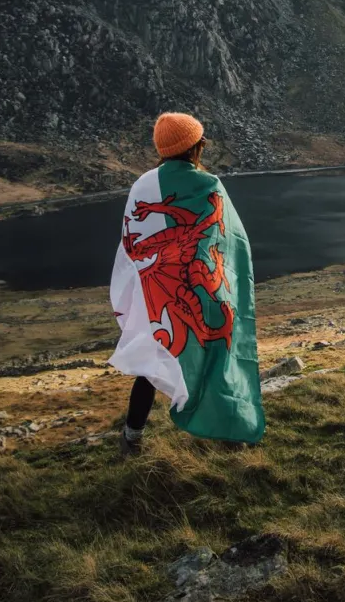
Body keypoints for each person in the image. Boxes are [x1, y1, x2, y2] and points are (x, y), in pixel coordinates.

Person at [108, 112, 265, 455]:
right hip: (204, 287)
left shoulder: (143, 186)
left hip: (156, 293)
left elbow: (133, 242)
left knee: (152, 360)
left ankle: (132, 437)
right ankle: (230, 432)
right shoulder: (209, 186)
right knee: (218, 351)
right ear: (198, 147)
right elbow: (229, 240)